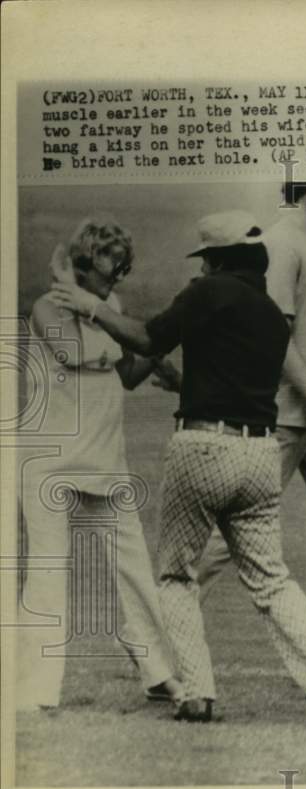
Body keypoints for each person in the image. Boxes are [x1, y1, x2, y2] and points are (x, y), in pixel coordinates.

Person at [49, 210, 306, 722]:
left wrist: (92, 307)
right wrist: (183, 382)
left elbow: (147, 339)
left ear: (218, 259)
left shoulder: (208, 292)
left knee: (177, 575)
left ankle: (197, 694)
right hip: (261, 455)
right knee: (270, 576)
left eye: (205, 260)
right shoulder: (270, 313)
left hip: (203, 448)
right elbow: (236, 377)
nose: (199, 270)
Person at [17, 217, 184, 711]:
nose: (117, 278)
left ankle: (161, 673)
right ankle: (35, 690)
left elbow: (125, 372)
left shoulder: (110, 308)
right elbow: (74, 353)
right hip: (49, 465)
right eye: (111, 268)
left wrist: (159, 349)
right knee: (48, 573)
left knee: (135, 570)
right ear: (82, 266)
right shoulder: (46, 307)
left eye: (123, 268)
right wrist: (78, 299)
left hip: (105, 461)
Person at [195, 181, 306, 596]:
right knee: (233, 530)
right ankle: (156, 620)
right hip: (286, 415)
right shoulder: (282, 244)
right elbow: (275, 337)